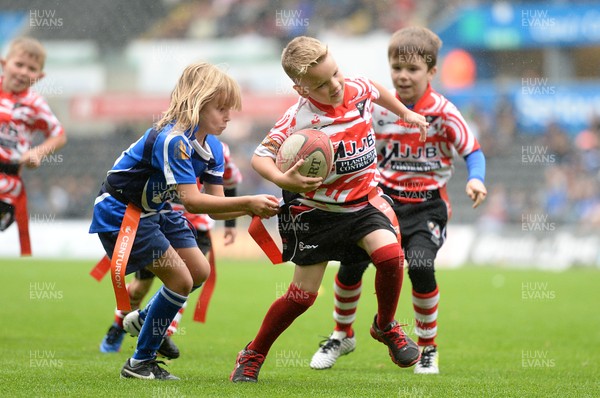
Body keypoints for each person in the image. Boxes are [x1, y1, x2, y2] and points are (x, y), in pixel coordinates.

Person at [230, 36, 429, 383]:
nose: (335, 86)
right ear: (300, 88)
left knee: (391, 256)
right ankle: (252, 353)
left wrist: (406, 112)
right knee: (301, 297)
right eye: (321, 84)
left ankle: (385, 326)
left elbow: (375, 90)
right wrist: (283, 178)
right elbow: (259, 157)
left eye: (335, 73)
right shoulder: (297, 120)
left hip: (363, 203)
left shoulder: (355, 90)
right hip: (317, 213)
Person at [309, 26, 487, 375]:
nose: (403, 77)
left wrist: (477, 178)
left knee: (420, 265)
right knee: (352, 262)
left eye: (413, 70)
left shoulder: (444, 112)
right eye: (397, 68)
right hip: (380, 200)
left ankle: (427, 347)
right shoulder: (378, 107)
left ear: (432, 72)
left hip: (426, 206)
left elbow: (473, 151)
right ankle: (342, 334)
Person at [89, 62, 279, 380]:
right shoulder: (174, 140)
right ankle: (140, 363)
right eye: (220, 108)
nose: (228, 116)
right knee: (180, 281)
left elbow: (215, 208)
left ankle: (142, 320)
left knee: (198, 271)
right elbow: (191, 200)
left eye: (229, 108)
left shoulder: (213, 147)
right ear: (197, 102)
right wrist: (248, 203)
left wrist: (258, 207)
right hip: (123, 211)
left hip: (155, 211)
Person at [99, 141, 243, 360]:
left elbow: (229, 182)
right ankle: (119, 325)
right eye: (220, 110)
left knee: (188, 279)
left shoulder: (219, 149)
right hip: (158, 220)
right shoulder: (170, 142)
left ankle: (160, 332)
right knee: (139, 289)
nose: (226, 118)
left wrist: (231, 224)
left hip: (196, 226)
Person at [0, 37, 67, 252]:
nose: (22, 72)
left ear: (39, 76)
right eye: (18, 64)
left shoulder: (34, 104)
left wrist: (38, 152)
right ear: (4, 63)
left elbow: (59, 135)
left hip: (7, 184)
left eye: (31, 69)